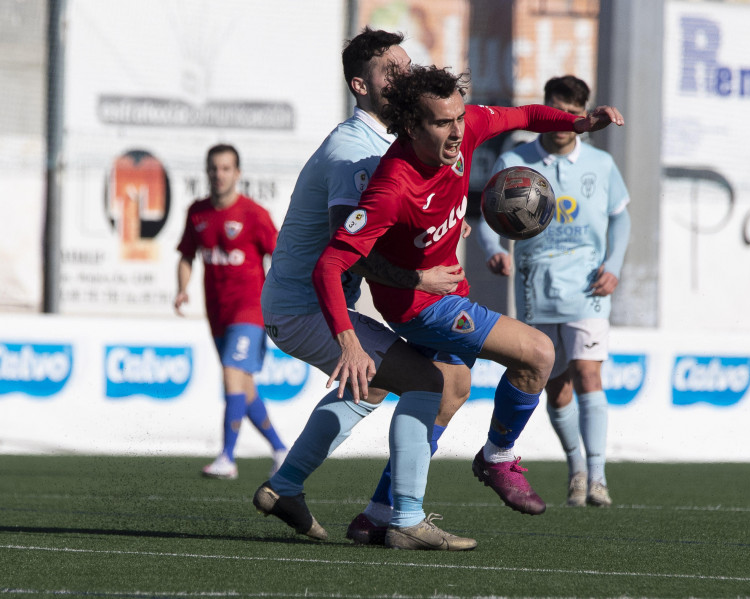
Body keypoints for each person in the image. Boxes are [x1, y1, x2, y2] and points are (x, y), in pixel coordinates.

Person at [311, 65, 624, 525]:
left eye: (459, 117)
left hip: (447, 295)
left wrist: (575, 124)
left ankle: (378, 513)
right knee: (539, 354)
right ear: (411, 126)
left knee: (449, 394)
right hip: (420, 307)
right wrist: (349, 342)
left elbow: (524, 116)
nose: (457, 130)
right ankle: (497, 457)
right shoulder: (391, 185)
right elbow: (330, 263)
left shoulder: (468, 125)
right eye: (442, 122)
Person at [255, 28, 477, 551]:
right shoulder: (354, 150)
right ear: (361, 85)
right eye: (389, 71)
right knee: (430, 383)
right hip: (307, 307)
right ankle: (406, 518)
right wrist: (418, 276)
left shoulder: (391, 144)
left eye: (406, 65)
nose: (403, 76)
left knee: (373, 385)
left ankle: (285, 487)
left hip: (304, 305)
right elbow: (348, 251)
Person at [476, 75, 631, 507]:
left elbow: (621, 217)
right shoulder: (514, 160)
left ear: (581, 115)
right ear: (546, 109)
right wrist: (494, 249)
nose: (563, 122)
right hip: (535, 284)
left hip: (588, 284)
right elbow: (484, 213)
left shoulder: (600, 165)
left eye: (572, 114)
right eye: (556, 111)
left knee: (588, 373)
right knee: (556, 384)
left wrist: (613, 266)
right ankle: (576, 468)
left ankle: (598, 475)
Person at [175, 144, 288, 480]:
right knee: (244, 385)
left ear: (237, 173)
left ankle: (227, 457)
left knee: (230, 372)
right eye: (213, 168)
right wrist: (182, 289)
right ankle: (282, 450)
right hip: (218, 313)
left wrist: (281, 299)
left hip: (251, 310)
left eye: (226, 168)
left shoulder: (253, 214)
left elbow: (280, 256)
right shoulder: (197, 212)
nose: (219, 174)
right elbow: (185, 255)